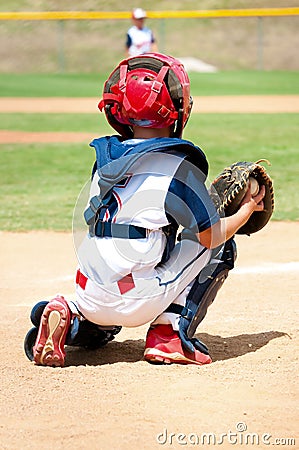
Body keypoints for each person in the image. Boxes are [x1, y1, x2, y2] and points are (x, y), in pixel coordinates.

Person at [24, 53, 265, 368]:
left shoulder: (106, 157)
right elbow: (210, 235)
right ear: (176, 109)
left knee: (105, 313)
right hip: (138, 297)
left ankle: (70, 319)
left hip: (90, 290)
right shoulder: (178, 167)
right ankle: (170, 334)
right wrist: (247, 209)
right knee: (221, 247)